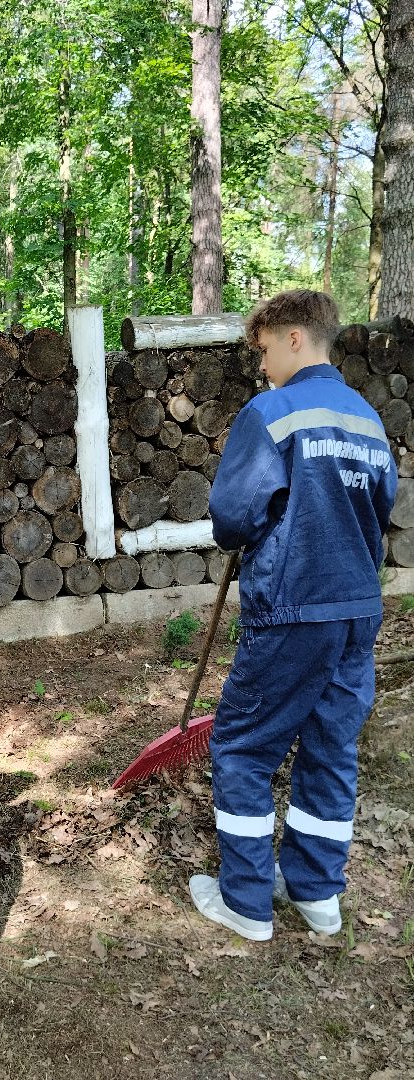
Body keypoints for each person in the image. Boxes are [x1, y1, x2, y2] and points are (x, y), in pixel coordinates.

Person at [189, 290, 398, 942]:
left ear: (292, 338)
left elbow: (231, 519)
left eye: (262, 351)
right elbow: (381, 506)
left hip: (293, 609)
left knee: (242, 751)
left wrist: (249, 524)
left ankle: (246, 902)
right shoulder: (366, 420)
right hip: (356, 609)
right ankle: (316, 896)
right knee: (330, 749)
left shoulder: (272, 413)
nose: (260, 368)